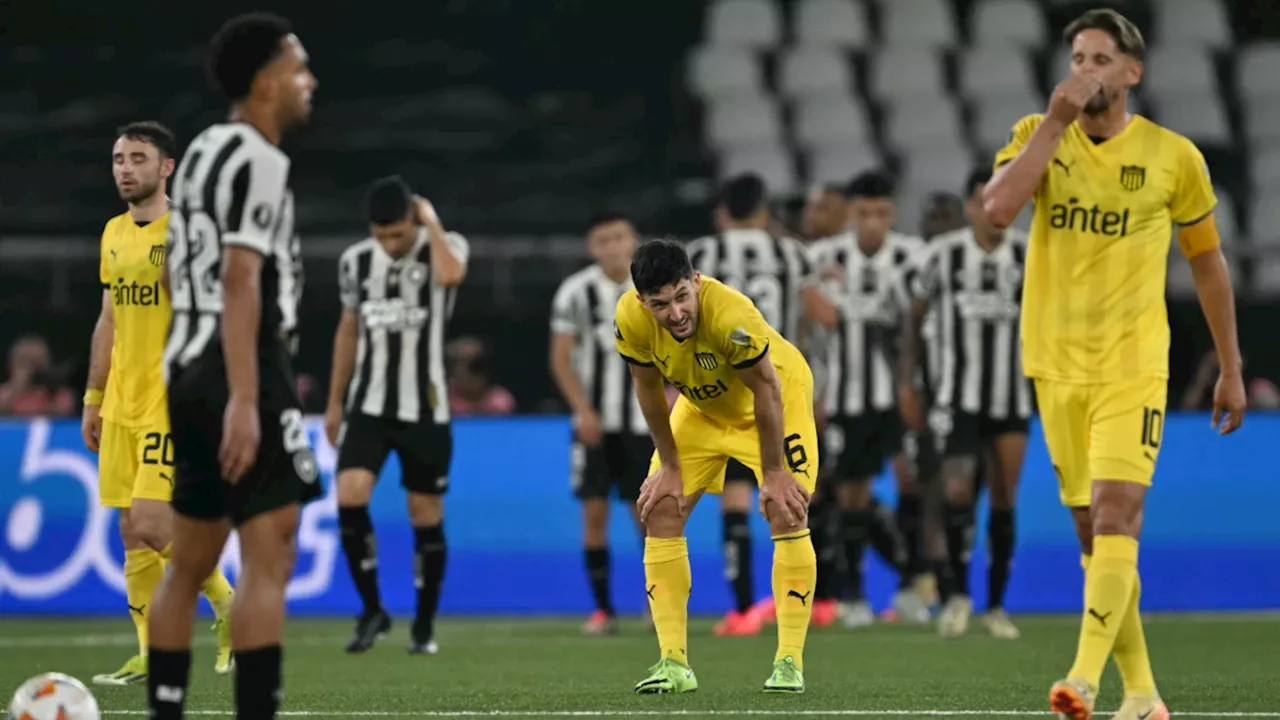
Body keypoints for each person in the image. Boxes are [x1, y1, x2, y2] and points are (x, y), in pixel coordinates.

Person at [982, 9, 1245, 720]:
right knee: (1090, 534)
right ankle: (1146, 696)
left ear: (1132, 72)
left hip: (1134, 364)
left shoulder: (1173, 156)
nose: (1085, 71)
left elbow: (1209, 264)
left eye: (1100, 58)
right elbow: (995, 216)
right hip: (1055, 365)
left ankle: (1084, 679)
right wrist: (1049, 126)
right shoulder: (1037, 139)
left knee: (1118, 517)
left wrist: (1231, 366)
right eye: (1076, 57)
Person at [146, 13, 320, 720]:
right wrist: (246, 396)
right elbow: (241, 276)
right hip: (241, 366)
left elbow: (172, 271)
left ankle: (166, 710)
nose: (310, 81)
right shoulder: (259, 158)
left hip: (186, 366)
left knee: (188, 562)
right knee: (270, 552)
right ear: (266, 80)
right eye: (299, 65)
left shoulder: (203, 151)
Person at [618, 239, 817, 694]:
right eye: (660, 304)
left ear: (696, 282)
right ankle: (673, 664)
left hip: (774, 403)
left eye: (681, 296)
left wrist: (772, 473)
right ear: (641, 301)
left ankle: (789, 662)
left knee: (787, 510)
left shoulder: (731, 314)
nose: (675, 313)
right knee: (661, 507)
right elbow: (647, 389)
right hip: (702, 408)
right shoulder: (630, 317)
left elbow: (766, 390)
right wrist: (668, 464)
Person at [80, 121, 237, 687]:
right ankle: (152, 654)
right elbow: (109, 319)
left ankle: (228, 605)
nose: (125, 168)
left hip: (174, 399)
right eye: (118, 158)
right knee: (130, 530)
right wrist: (94, 396)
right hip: (122, 398)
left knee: (151, 520)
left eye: (138, 158)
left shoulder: (189, 233)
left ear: (165, 167)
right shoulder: (112, 233)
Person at [325, 176, 469, 655]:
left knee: (424, 514)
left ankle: (423, 626)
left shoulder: (442, 246)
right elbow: (347, 330)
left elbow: (451, 276)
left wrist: (430, 220)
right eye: (380, 235)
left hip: (425, 409)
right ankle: (372, 610)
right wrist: (333, 402)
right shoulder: (356, 262)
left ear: (413, 219)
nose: (388, 245)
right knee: (349, 496)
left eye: (398, 234)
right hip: (368, 405)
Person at [685, 174, 831, 636]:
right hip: (780, 386)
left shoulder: (701, 255)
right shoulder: (792, 253)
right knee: (795, 494)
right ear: (763, 212)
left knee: (735, 502)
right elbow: (821, 315)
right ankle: (815, 602)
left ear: (722, 212)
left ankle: (745, 610)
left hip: (725, 395)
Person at [900, 168, 1031, 641]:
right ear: (972, 206)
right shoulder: (944, 255)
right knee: (955, 493)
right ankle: (956, 596)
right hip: (958, 398)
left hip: (1011, 396)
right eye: (986, 200)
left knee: (1003, 499)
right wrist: (908, 383)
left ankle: (996, 605)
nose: (996, 210)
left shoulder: (1028, 254)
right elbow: (914, 319)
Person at [809, 171, 930, 628]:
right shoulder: (821, 258)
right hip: (845, 397)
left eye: (881, 213)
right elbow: (809, 335)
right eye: (863, 213)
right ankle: (854, 595)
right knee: (851, 493)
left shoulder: (913, 257)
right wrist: (814, 391)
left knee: (913, 483)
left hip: (902, 396)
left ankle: (913, 588)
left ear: (892, 214)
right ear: (850, 214)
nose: (873, 222)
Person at [548, 210, 650, 635]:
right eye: (604, 240)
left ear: (634, 240)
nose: (613, 246)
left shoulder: (651, 289)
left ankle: (657, 607)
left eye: (620, 237)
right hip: (593, 424)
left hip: (643, 425)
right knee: (594, 514)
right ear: (593, 247)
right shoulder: (576, 292)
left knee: (648, 515)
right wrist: (582, 409)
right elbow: (560, 358)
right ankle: (604, 609)